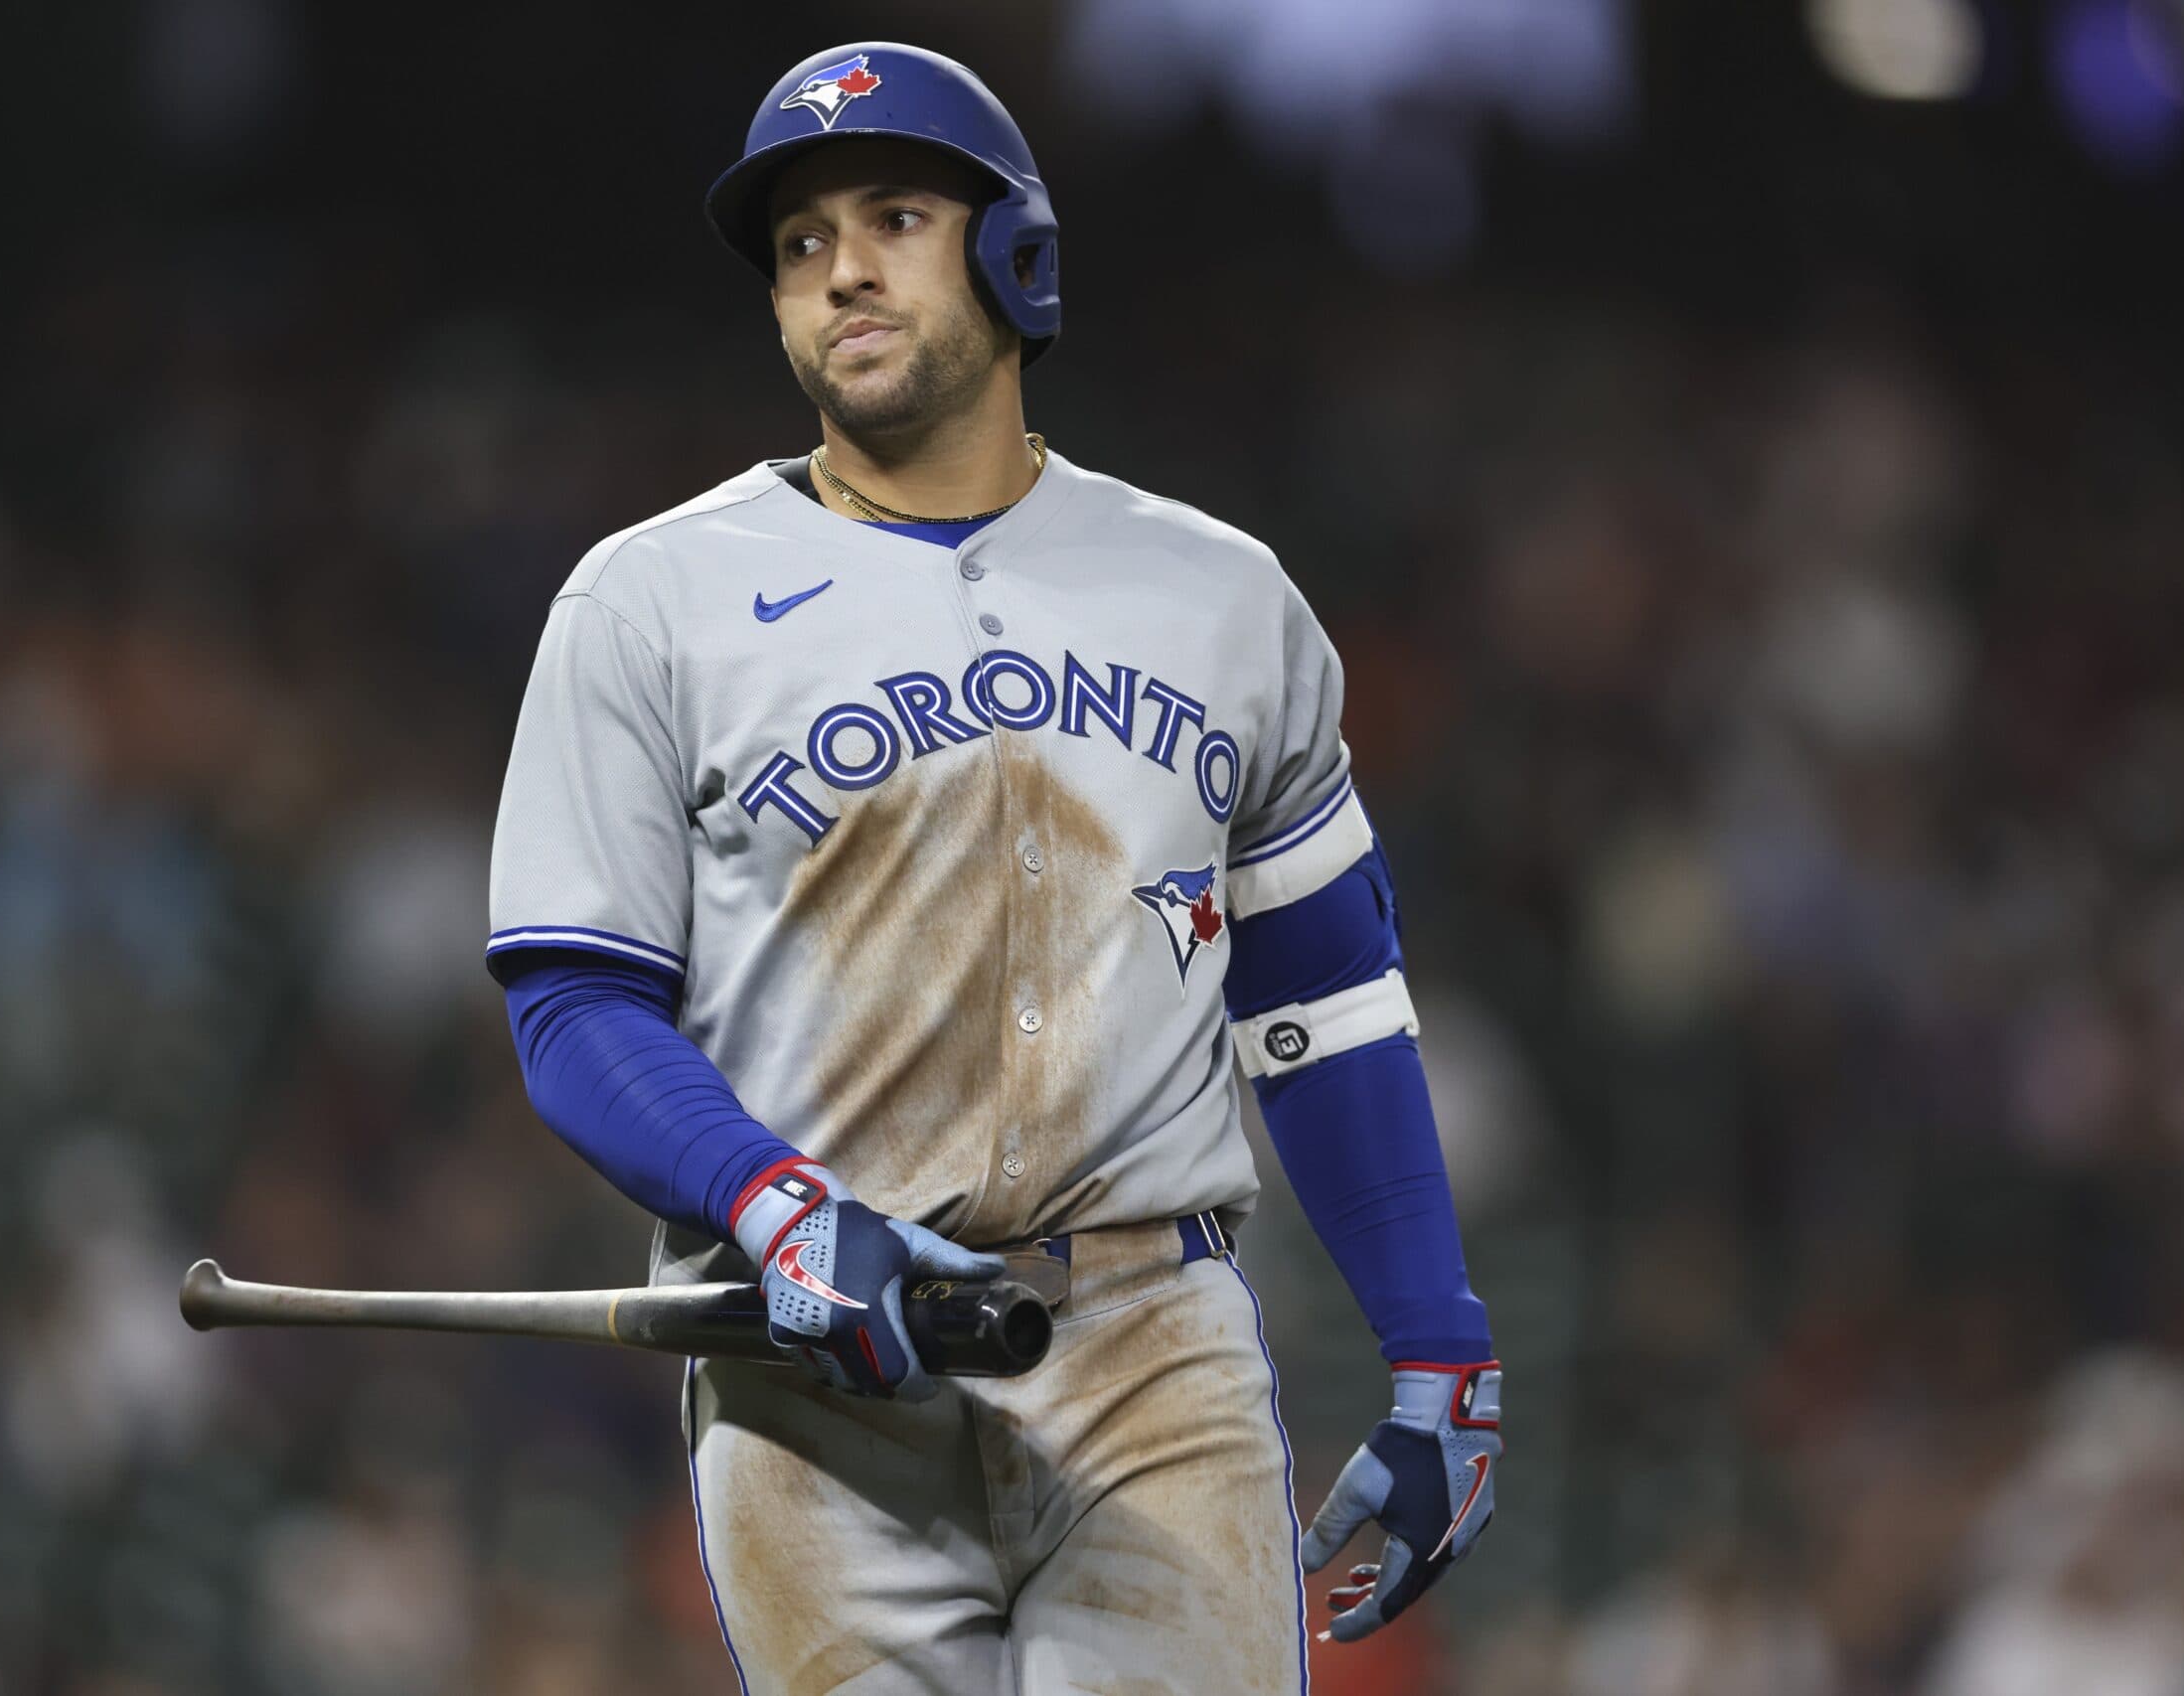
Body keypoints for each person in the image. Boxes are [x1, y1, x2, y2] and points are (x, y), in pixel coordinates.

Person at [485, 42, 1501, 1694]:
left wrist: (1435, 1335)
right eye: (802, 243)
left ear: (1016, 254)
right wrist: (780, 1206)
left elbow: (1324, 1003)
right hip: (815, 1360)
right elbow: (574, 1005)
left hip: (1147, 1353)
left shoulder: (1222, 596)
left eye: (894, 214)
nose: (843, 268)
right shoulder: (644, 602)